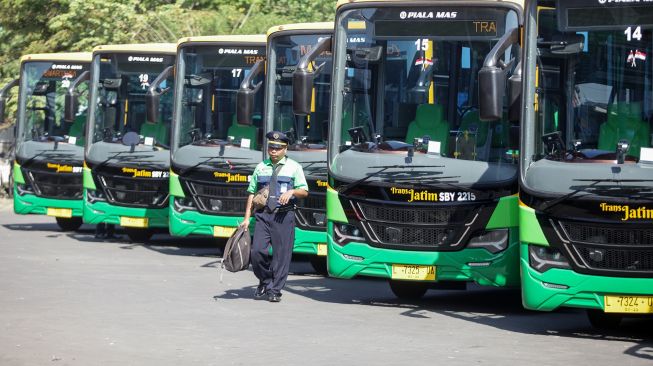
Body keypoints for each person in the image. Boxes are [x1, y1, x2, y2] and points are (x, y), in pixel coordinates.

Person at [240, 131, 308, 302]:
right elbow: (251, 193)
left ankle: (274, 290)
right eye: (271, 147)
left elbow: (304, 191)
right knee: (257, 253)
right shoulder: (261, 166)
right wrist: (247, 218)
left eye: (278, 148)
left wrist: (292, 191)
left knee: (281, 256)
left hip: (283, 216)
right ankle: (265, 280)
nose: (274, 151)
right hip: (263, 215)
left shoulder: (294, 167)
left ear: (285, 149)